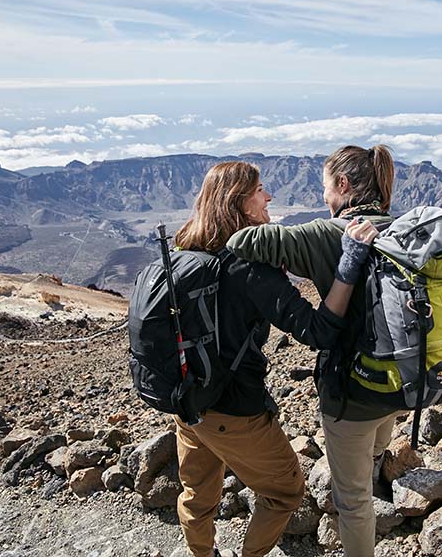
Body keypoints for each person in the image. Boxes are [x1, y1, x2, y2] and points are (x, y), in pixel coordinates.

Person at [171, 161, 378, 557]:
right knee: (286, 491)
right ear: (241, 204)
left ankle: (203, 553)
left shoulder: (185, 252)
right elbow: (318, 331)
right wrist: (349, 264)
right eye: (261, 190)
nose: (269, 197)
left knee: (197, 492)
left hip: (185, 400)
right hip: (234, 410)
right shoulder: (251, 267)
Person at [226, 145, 399, 557]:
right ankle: (375, 465)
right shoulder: (397, 228)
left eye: (325, 187)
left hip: (352, 393)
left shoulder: (327, 235)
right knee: (372, 450)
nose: (323, 196)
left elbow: (242, 241)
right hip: (400, 381)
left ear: (342, 185)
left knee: (353, 502)